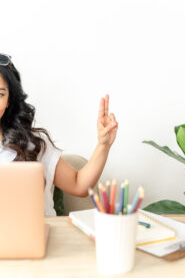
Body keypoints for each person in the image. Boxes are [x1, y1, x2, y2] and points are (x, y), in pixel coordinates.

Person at [0, 53, 118, 216]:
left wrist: (103, 145)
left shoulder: (32, 145)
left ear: (9, 101)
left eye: (0, 94)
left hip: (40, 237)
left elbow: (79, 185)